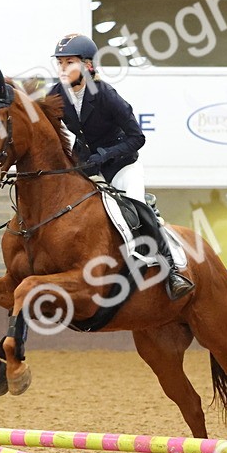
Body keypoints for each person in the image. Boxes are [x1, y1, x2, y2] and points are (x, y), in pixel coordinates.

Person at [47, 33, 194, 300]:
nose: (63, 69)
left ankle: (173, 271)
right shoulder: (56, 94)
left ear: (88, 66)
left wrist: (104, 156)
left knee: (138, 206)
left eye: (69, 62)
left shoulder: (105, 96)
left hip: (122, 168)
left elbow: (137, 138)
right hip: (86, 169)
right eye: (60, 63)